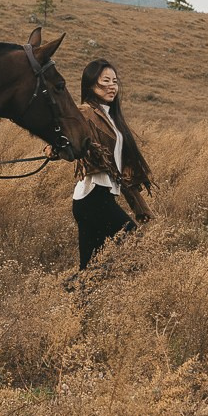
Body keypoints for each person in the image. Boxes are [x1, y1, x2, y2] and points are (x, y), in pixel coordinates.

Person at [71, 58, 152, 269]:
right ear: (90, 84)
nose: (112, 86)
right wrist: (53, 148)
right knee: (134, 240)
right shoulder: (84, 112)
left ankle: (76, 296)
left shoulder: (112, 117)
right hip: (92, 197)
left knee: (90, 268)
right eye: (105, 80)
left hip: (102, 197)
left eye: (114, 81)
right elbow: (69, 134)